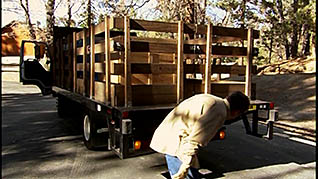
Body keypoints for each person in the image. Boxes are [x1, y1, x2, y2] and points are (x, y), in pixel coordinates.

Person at [150, 91, 250, 179]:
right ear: (236, 112)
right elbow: (195, 140)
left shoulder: (214, 101)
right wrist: (184, 167)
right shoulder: (219, 112)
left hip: (172, 135)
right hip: (175, 142)